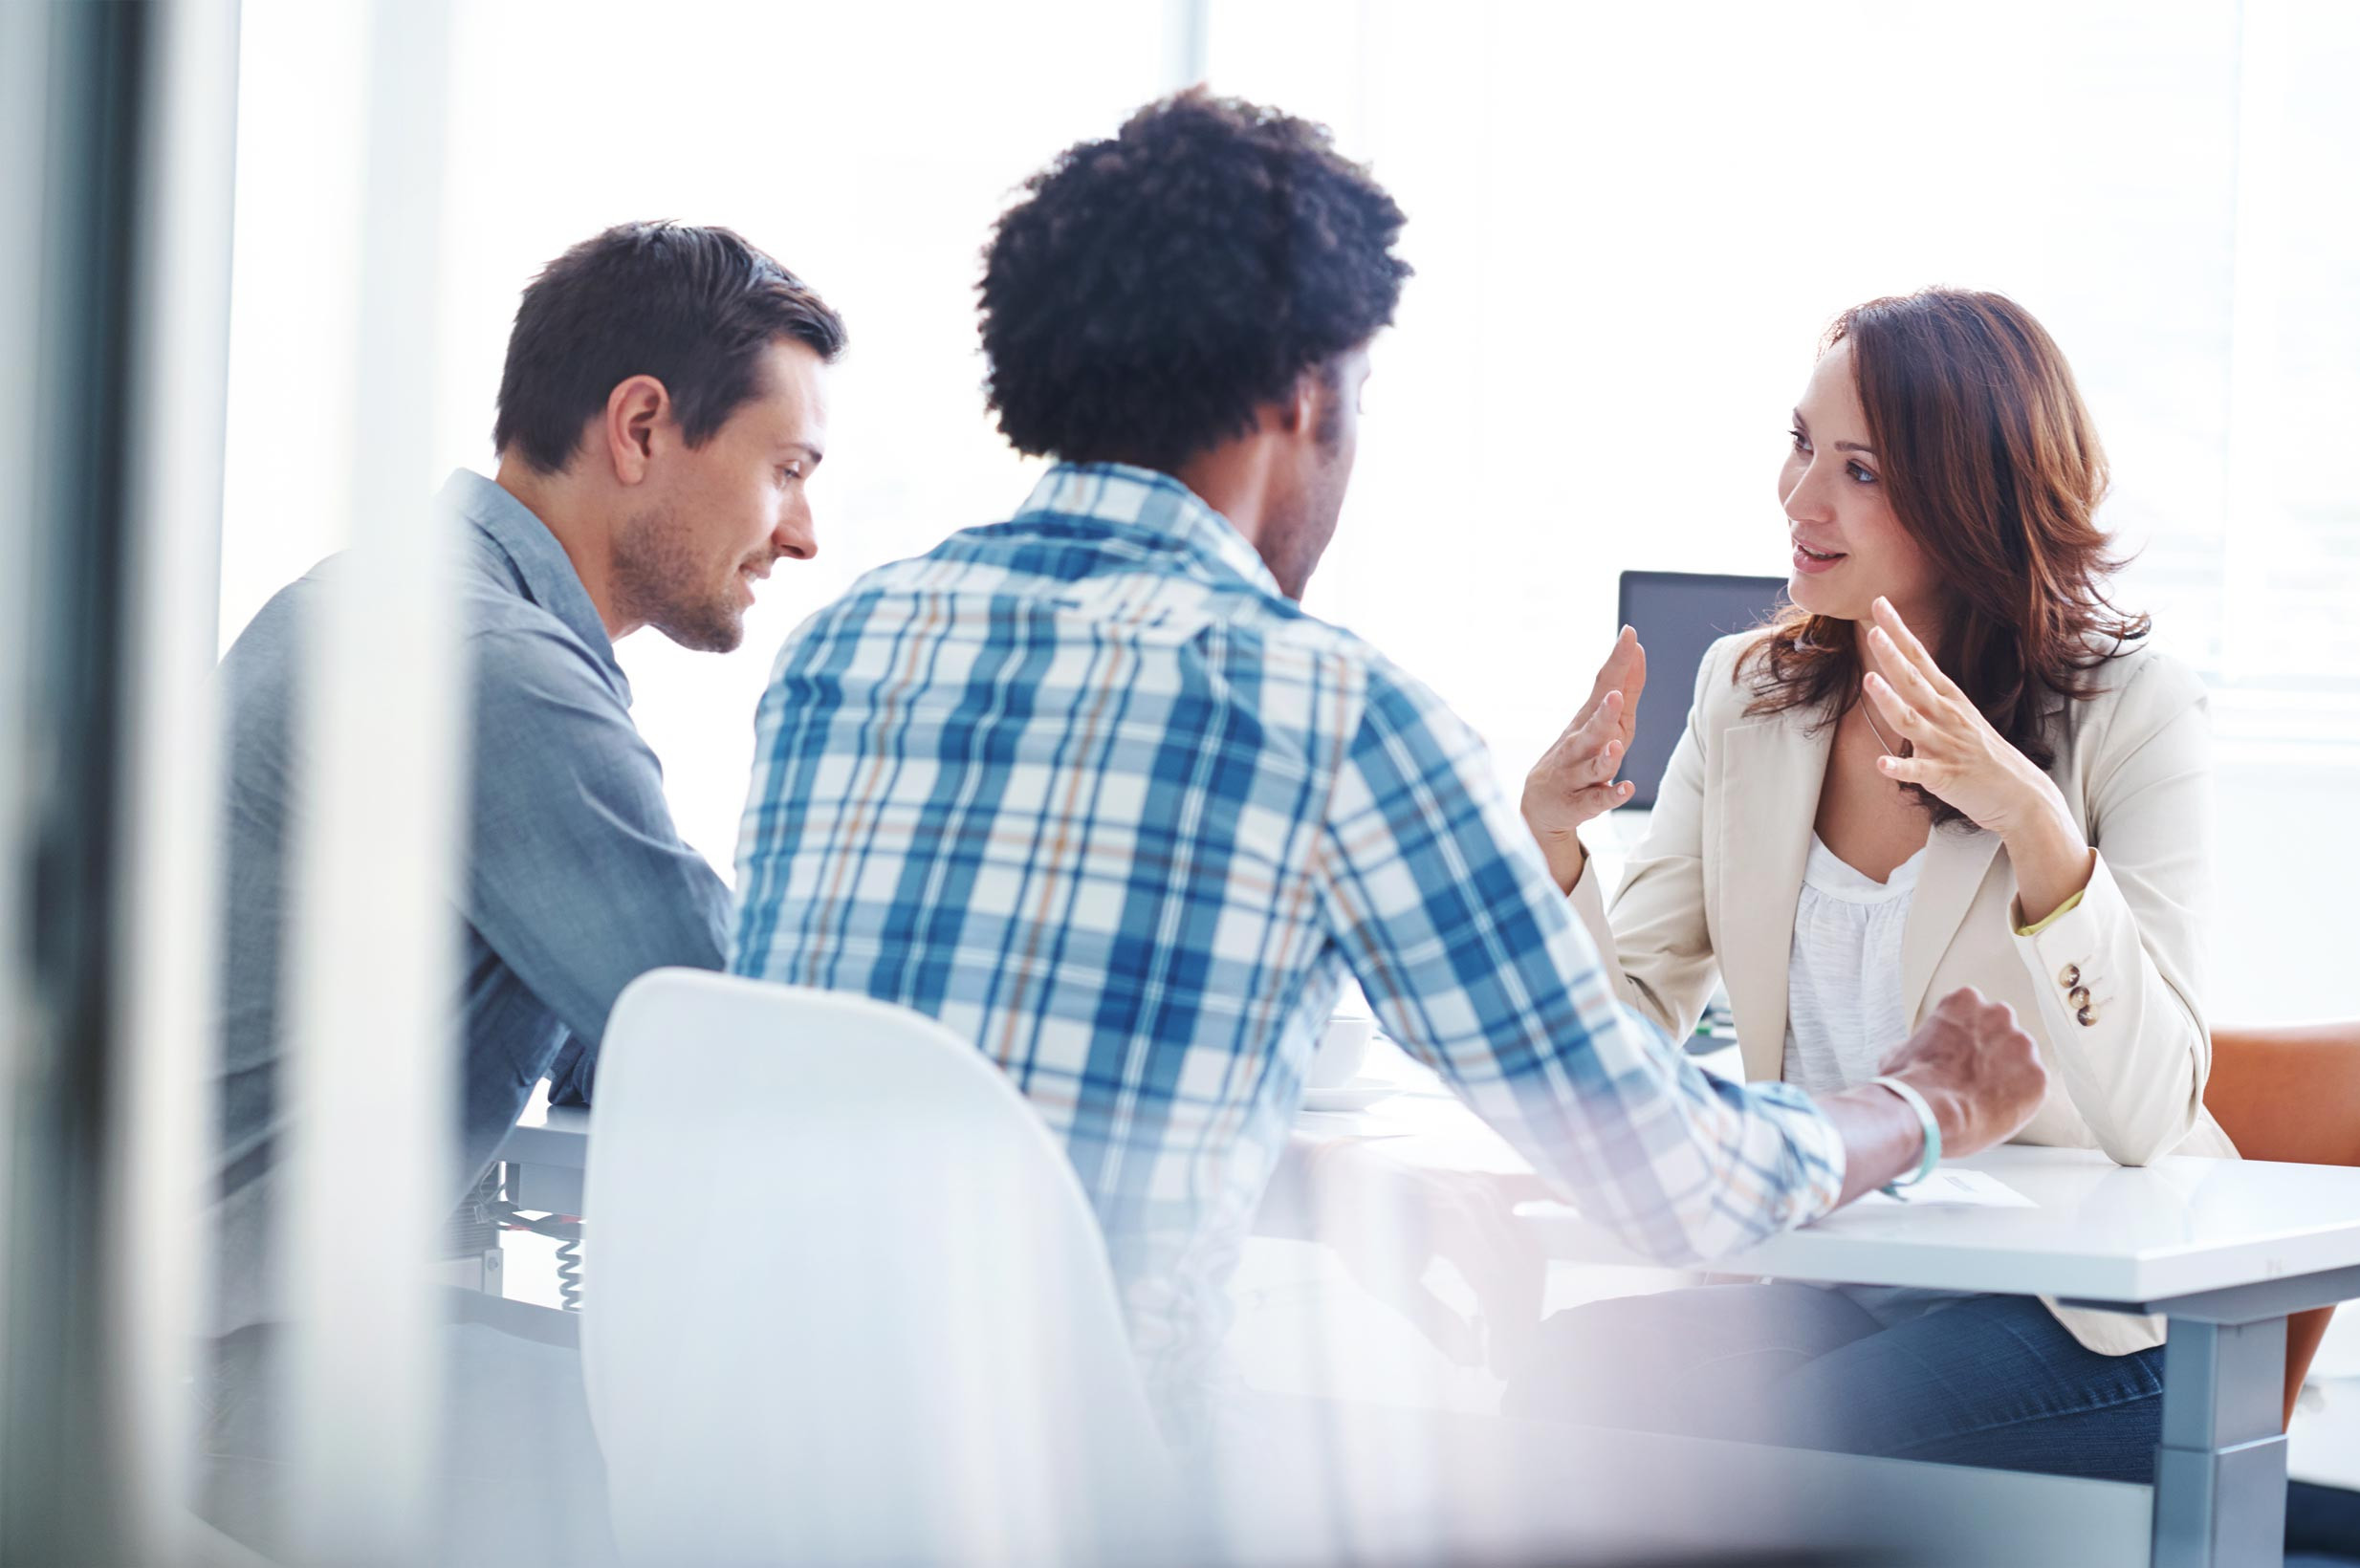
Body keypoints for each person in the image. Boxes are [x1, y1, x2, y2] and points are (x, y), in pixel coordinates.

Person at [728, 93, 2048, 1445]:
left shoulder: (844, 653)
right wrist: (1924, 1100)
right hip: (1087, 1497)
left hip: (751, 1471)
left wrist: (1322, 1186)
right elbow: (1674, 1181)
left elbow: (971, 1115)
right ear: (1304, 395)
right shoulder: (1328, 710)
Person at [1504, 287, 2231, 1482]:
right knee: (1564, 1376)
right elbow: (1626, 1028)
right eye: (1799, 446)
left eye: (1859, 470)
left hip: (2090, 1314)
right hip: (1840, 1276)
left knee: (1799, 1437)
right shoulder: (1745, 693)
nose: (1799, 499)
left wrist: (2033, 824)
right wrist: (1553, 846)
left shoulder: (2131, 710)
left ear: (1969, 497)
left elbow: (2151, 1112)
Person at [204, 224, 843, 1564]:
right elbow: (719, 1019)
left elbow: (619, 1012)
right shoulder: (486, 663)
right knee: (777, 1477)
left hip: (190, 1328)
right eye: (784, 471)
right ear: (641, 426)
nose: (802, 534)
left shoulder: (384, 605)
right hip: (218, 1368)